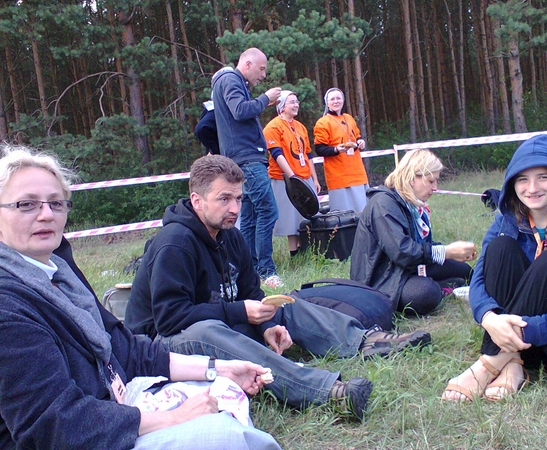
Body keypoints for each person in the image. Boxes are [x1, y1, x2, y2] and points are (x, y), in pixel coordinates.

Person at [0, 145, 281, 449]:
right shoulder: (9, 306)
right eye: (26, 204)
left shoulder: (59, 273)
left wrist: (218, 367)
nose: (46, 214)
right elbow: (54, 426)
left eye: (56, 203)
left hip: (115, 398)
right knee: (229, 437)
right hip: (90, 434)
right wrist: (174, 418)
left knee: (222, 388)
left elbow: (127, 351)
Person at [125, 154, 433, 421]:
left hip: (216, 323)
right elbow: (169, 318)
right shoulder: (175, 243)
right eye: (224, 199)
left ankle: (366, 341)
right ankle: (328, 392)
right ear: (197, 201)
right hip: (162, 345)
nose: (235, 208)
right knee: (207, 331)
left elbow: (252, 294)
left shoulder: (231, 235)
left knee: (280, 303)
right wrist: (240, 311)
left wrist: (266, 324)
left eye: (239, 199)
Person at [442, 134, 547, 402]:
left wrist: (530, 330)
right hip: (519, 338)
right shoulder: (505, 221)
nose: (532, 188)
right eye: (523, 179)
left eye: (543, 177)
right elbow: (478, 278)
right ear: (513, 184)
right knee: (500, 248)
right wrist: (488, 317)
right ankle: (513, 363)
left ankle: (490, 362)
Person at [350, 149, 476, 316]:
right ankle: (443, 288)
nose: (435, 188)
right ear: (411, 178)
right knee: (425, 293)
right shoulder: (383, 204)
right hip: (381, 281)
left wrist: (452, 252)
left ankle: (449, 285)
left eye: (436, 181)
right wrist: (445, 252)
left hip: (407, 268)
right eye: (431, 181)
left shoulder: (411, 204)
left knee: (465, 271)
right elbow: (402, 252)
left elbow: (421, 247)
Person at [211, 48, 283, 288]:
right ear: (248, 64)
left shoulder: (233, 81)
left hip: (244, 158)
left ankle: (249, 270)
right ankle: (266, 270)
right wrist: (265, 99)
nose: (263, 75)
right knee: (268, 211)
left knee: (250, 217)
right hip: (247, 159)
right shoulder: (230, 79)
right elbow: (240, 111)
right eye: (261, 69)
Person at [264, 90, 321, 257]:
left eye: (297, 102)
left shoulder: (300, 126)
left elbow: (308, 154)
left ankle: (306, 249)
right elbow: (277, 154)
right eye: (292, 102)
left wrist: (314, 179)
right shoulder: (273, 127)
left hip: (304, 176)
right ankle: (294, 253)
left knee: (305, 215)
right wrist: (292, 178)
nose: (296, 105)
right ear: (282, 106)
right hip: (285, 179)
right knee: (291, 217)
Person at [313, 88, 369, 213]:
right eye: (332, 99)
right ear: (327, 103)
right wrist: (336, 149)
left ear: (343, 100)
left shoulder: (349, 118)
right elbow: (319, 149)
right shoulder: (323, 122)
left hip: (358, 174)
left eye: (338, 98)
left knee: (363, 212)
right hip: (339, 177)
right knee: (344, 215)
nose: (336, 101)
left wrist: (360, 142)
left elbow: (356, 136)